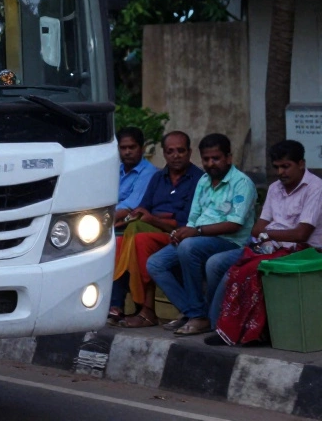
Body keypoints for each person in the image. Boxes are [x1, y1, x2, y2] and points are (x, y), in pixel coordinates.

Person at [206, 140, 322, 346]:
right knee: (218, 264)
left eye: (286, 166)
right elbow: (257, 229)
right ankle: (220, 326)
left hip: (303, 251)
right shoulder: (275, 188)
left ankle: (243, 332)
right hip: (270, 247)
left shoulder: (316, 188)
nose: (281, 172)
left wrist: (269, 234)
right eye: (277, 167)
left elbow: (301, 234)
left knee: (241, 273)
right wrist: (270, 236)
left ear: (301, 164)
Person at [146, 133, 257, 336]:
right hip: (200, 239)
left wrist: (195, 232)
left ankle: (197, 315)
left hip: (230, 242)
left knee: (189, 247)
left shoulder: (242, 183)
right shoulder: (204, 181)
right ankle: (192, 313)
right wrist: (182, 233)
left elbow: (234, 224)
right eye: (206, 159)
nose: (210, 163)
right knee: (156, 263)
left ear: (228, 158)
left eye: (216, 158)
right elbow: (194, 217)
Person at [113, 131, 203, 327]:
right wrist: (156, 217)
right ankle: (120, 305)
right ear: (164, 153)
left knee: (138, 239)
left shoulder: (198, 180)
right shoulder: (158, 178)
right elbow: (142, 209)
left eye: (180, 151)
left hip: (181, 235)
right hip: (152, 230)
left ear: (189, 152)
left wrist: (154, 218)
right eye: (170, 151)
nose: (175, 156)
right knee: (122, 241)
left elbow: (185, 222)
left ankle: (146, 310)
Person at [115, 127, 158, 227]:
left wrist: (103, 217)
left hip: (126, 222)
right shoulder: (116, 169)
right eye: (123, 148)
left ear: (142, 148)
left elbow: (131, 205)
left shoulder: (148, 172)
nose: (127, 152)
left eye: (132, 147)